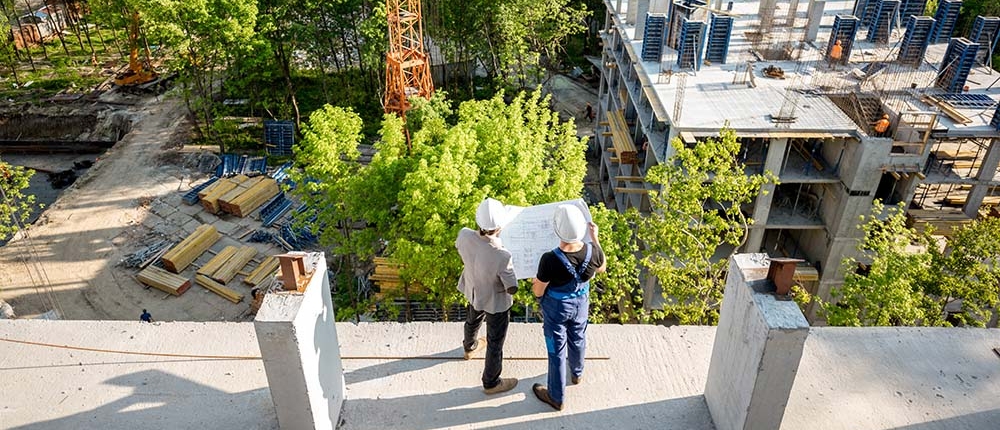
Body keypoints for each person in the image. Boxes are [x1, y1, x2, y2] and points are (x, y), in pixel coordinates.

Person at [531, 205, 606, 411]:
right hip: (581, 304)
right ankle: (577, 373)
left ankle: (556, 397)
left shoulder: (549, 259)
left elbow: (538, 292)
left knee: (556, 349)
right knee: (579, 337)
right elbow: (601, 267)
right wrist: (595, 238)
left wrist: (534, 282)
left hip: (557, 309)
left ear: (557, 230)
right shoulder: (593, 251)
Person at [456, 198, 519, 395]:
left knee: (472, 320)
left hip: (473, 289)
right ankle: (491, 382)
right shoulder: (502, 255)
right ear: (500, 226)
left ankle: (469, 347)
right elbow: (512, 288)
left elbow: (463, 249)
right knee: (495, 341)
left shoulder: (464, 235)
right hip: (495, 301)